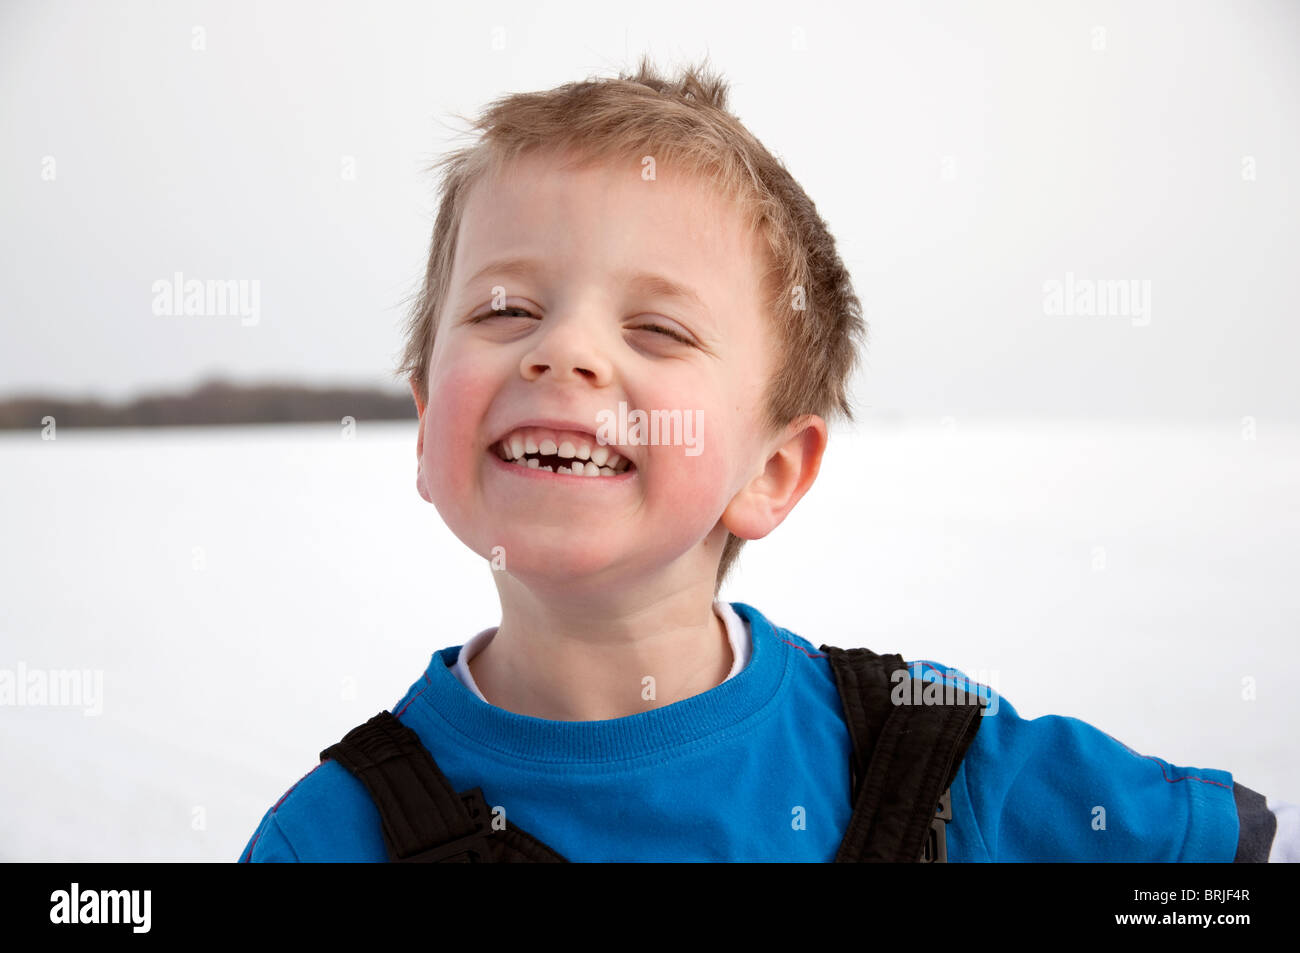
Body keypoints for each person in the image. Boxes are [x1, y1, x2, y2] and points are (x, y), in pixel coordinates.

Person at [240, 56, 1296, 862]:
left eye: (657, 329)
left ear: (772, 472)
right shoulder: (337, 833)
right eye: (505, 306)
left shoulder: (927, 758)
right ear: (427, 428)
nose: (561, 348)